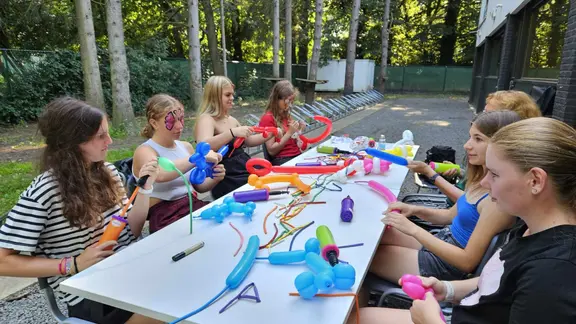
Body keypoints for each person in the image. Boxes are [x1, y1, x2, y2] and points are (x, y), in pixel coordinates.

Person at [350, 117, 576, 324]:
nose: (485, 183)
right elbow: (494, 280)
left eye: (495, 174)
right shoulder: (532, 231)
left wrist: (431, 321)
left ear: (535, 181)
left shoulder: (552, 273)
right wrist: (446, 289)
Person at [0, 98, 162, 324]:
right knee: (175, 304)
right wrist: (72, 264)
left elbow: (130, 232)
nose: (110, 141)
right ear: (72, 142)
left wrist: (145, 190)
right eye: (100, 136)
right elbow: (3, 261)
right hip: (92, 296)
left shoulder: (107, 172)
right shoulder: (44, 192)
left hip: (127, 274)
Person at [370, 111, 520, 284]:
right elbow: (449, 215)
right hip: (442, 242)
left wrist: (413, 229)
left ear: (501, 145)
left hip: (446, 265)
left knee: (368, 256)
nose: (467, 145)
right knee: (374, 235)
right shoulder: (482, 179)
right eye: (470, 137)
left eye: (478, 139)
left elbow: (466, 262)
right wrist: (414, 210)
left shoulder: (496, 201)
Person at [413, 90, 541, 203]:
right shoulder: (490, 154)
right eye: (484, 111)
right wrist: (460, 172)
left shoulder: (507, 170)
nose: (481, 117)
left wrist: (430, 174)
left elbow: (471, 204)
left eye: (489, 114)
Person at [132, 94, 225, 233]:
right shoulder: (145, 151)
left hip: (192, 206)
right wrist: (196, 157)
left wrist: (215, 178)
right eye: (171, 121)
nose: (179, 126)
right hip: (165, 217)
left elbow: (199, 186)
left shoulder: (186, 147)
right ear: (154, 123)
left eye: (181, 119)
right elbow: (161, 174)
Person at [194, 76, 274, 199]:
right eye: (227, 95)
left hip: (244, 167)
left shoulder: (232, 120)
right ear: (214, 96)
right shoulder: (206, 119)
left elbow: (249, 141)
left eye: (232, 94)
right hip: (227, 176)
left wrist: (271, 134)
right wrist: (232, 133)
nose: (232, 98)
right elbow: (203, 146)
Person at [258, 80, 306, 166]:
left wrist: (299, 131)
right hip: (282, 160)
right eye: (287, 101)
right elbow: (271, 151)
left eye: (292, 100)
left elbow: (298, 143)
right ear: (277, 99)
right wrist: (289, 133)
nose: (290, 104)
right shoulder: (268, 118)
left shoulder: (285, 115)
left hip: (295, 156)